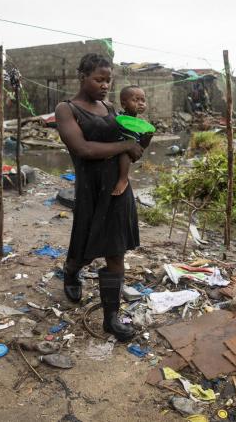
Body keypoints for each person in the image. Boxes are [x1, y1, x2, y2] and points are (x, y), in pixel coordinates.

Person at [55, 53, 143, 341]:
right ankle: (71, 272)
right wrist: (124, 147)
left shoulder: (109, 107)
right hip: (90, 190)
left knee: (116, 252)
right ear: (82, 77)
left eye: (108, 80)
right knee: (84, 245)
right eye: (98, 79)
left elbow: (130, 146)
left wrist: (137, 144)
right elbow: (83, 149)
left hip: (118, 190)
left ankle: (111, 318)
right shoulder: (66, 110)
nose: (105, 85)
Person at [112, 85, 151, 196]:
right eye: (135, 100)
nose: (140, 103)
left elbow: (142, 145)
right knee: (125, 154)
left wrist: (148, 135)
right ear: (124, 104)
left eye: (143, 100)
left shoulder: (139, 122)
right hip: (121, 147)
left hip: (134, 148)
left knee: (147, 136)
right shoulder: (122, 118)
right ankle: (123, 179)